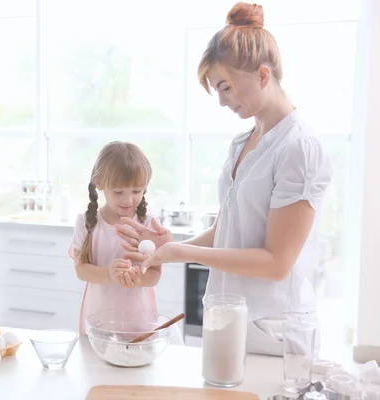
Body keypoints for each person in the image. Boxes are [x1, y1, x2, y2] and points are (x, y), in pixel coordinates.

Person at [116, 2, 333, 356]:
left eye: (226, 87)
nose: (221, 101)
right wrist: (164, 250)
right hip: (228, 316)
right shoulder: (242, 145)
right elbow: (227, 232)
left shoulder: (299, 149)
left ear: (264, 75)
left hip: (273, 327)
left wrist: (180, 251)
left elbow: (277, 263)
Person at [68, 141, 162, 336]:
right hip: (98, 320)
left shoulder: (150, 225)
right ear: (99, 183)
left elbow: (154, 275)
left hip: (138, 320)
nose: (128, 200)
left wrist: (138, 279)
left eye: (136, 191)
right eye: (118, 192)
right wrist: (110, 275)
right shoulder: (87, 223)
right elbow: (81, 270)